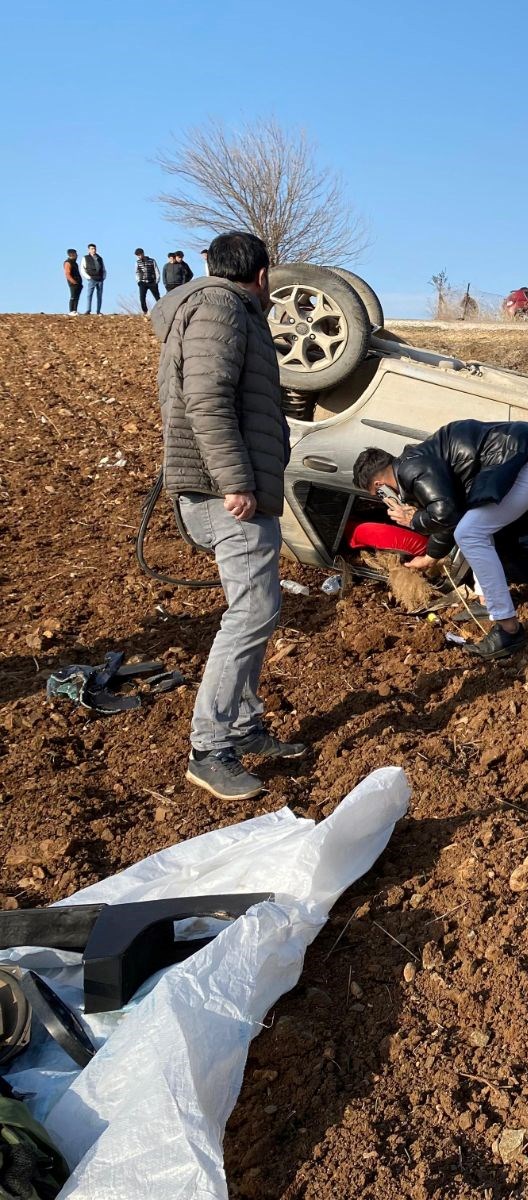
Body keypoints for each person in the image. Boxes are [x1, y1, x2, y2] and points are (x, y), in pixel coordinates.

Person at [151, 230, 303, 801]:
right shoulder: (221, 307)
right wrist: (236, 479)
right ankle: (209, 747)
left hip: (225, 485)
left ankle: (240, 726)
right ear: (262, 275)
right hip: (228, 491)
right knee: (253, 610)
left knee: (255, 609)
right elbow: (207, 398)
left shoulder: (216, 309)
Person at [353, 420, 528, 660]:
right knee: (474, 527)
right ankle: (487, 600)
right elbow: (451, 517)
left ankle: (509, 630)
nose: (384, 500)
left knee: (470, 532)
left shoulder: (412, 469)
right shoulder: (417, 461)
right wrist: (430, 557)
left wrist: (413, 520)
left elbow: (446, 513)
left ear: (380, 486)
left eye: (378, 494)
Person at [81, 243, 105, 314]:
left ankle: (98, 311)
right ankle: (88, 310)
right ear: (89, 250)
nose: (93, 250)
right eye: (92, 249)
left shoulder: (100, 258)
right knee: (89, 295)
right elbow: (82, 269)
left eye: (94, 249)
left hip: (100, 279)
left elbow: (103, 269)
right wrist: (88, 277)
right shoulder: (85, 258)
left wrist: (103, 277)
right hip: (91, 279)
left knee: (99, 296)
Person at [134, 247, 161, 312]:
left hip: (152, 282)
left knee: (157, 297)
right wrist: (138, 281)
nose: (139, 256)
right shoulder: (137, 262)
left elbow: (156, 270)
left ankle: (161, 310)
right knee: (142, 298)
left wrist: (157, 280)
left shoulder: (152, 260)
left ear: (143, 253)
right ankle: (145, 311)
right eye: (137, 255)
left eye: (140, 254)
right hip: (142, 282)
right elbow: (136, 272)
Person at [63, 249, 82, 315]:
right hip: (73, 283)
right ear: (72, 254)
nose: (77, 256)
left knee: (77, 297)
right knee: (73, 297)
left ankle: (75, 310)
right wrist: (73, 281)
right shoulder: (68, 263)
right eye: (76, 254)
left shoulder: (75, 263)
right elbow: (67, 274)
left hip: (78, 283)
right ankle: (71, 311)